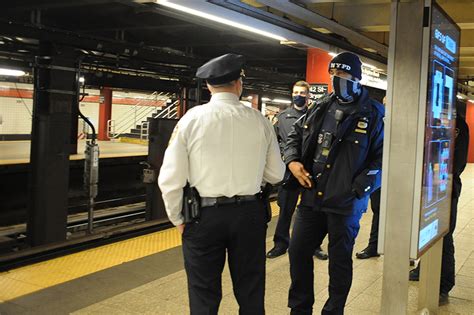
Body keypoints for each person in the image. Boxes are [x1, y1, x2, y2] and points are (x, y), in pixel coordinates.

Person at [158, 53, 285, 314]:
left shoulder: (190, 120)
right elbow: (276, 175)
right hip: (249, 216)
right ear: (239, 83)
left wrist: (177, 218)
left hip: (203, 217)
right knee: (251, 289)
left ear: (208, 86)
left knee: (203, 292)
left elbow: (170, 178)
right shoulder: (260, 121)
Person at [284, 52, 384, 314]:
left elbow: (384, 157)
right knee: (297, 253)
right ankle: (300, 308)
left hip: (345, 203)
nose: (336, 79)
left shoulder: (373, 113)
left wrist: (357, 190)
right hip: (311, 198)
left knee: (339, 262)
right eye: (333, 74)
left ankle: (333, 310)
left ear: (356, 78)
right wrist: (293, 161)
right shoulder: (321, 106)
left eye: (342, 74)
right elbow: (295, 134)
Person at [409, 107, 470, 306]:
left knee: (444, 235)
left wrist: (440, 181)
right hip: (424, 187)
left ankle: (444, 285)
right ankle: (423, 269)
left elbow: (458, 162)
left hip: (444, 188)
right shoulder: (428, 119)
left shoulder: (458, 124)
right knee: (426, 231)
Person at [266, 80, 328, 260]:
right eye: (295, 92)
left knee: (314, 210)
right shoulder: (283, 117)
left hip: (311, 171)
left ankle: (315, 245)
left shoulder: (316, 115)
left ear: (308, 96)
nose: (298, 96)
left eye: (302, 93)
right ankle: (280, 243)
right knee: (286, 208)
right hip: (290, 171)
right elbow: (274, 144)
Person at [356, 95, 386, 260]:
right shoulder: (378, 124)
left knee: (403, 215)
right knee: (379, 211)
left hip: (401, 177)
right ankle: (374, 246)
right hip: (379, 176)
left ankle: (404, 252)